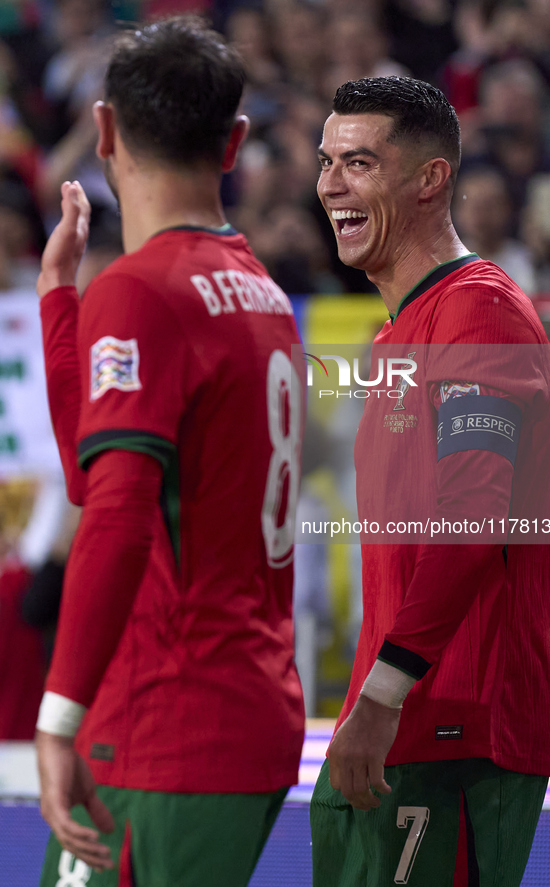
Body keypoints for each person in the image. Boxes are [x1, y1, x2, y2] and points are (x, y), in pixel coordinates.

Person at [35, 16, 305, 887]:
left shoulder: (146, 289)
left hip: (163, 720)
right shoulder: (259, 290)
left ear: (104, 130)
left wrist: (56, 717)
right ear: (234, 143)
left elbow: (112, 515)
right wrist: (60, 304)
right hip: (247, 704)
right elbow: (98, 472)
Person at [311, 76, 550, 886]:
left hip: (447, 729)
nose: (328, 184)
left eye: (358, 162)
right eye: (325, 161)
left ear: (429, 179)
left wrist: (381, 699)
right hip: (392, 726)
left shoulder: (477, 312)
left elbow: (471, 521)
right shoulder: (399, 333)